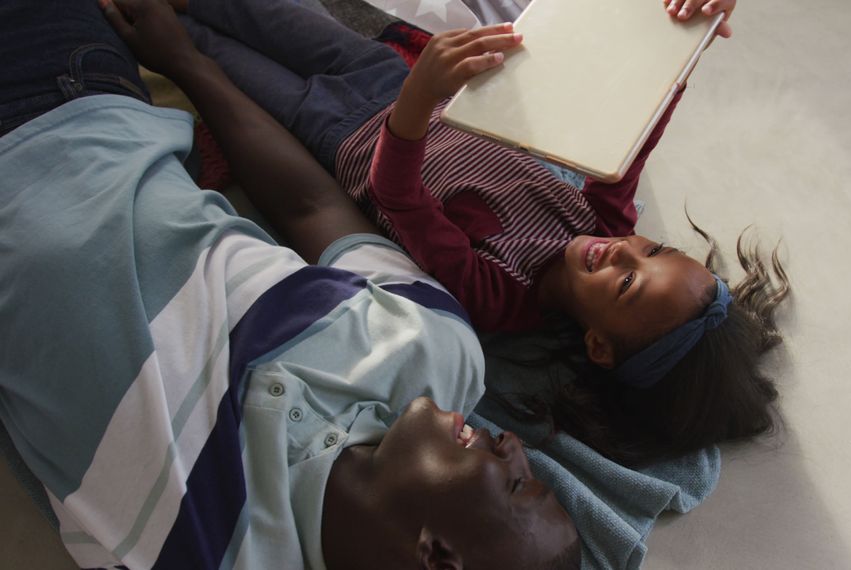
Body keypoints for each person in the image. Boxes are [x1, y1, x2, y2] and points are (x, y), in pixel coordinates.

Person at [0, 0, 579, 568]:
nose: (515, 447)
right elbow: (309, 205)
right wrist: (184, 61)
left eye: (518, 486)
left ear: (438, 556)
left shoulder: (210, 552)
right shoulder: (440, 349)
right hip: (76, 91)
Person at [172, 0, 790, 466]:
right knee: (263, 9)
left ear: (600, 346)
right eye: (656, 249)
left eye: (628, 281)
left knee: (199, 44)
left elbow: (401, 200)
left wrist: (417, 101)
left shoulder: (501, 298)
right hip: (385, 79)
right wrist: (686, 48)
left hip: (340, 132)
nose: (624, 247)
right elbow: (631, 137)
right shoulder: (604, 222)